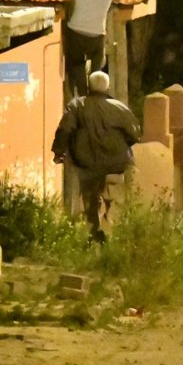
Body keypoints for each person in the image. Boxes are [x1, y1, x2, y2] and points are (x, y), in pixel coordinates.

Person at [52, 71, 141, 242]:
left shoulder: (77, 106)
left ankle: (92, 236)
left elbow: (65, 130)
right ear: (107, 87)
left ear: (89, 86)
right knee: (115, 198)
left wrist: (58, 152)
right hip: (117, 164)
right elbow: (135, 134)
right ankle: (113, 233)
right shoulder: (120, 108)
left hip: (87, 164)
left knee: (90, 200)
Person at [63, 0, 121, 97]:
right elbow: (117, 0)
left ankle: (82, 94)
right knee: (96, 70)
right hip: (97, 34)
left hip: (75, 31)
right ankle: (94, 96)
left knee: (77, 65)